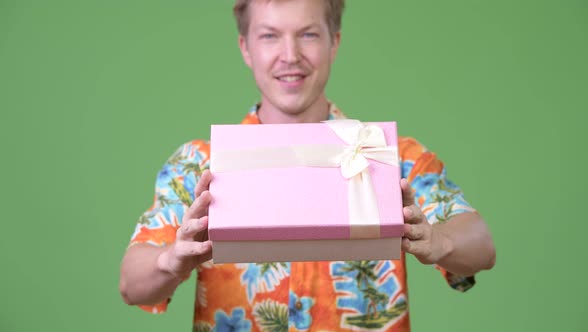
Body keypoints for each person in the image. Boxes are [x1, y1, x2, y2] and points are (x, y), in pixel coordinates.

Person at [119, 0, 496, 330]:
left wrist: (440, 242)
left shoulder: (388, 155)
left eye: (309, 35)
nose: (290, 55)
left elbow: (481, 245)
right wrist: (172, 260)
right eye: (269, 36)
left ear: (334, 42)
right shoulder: (199, 165)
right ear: (245, 48)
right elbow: (131, 285)